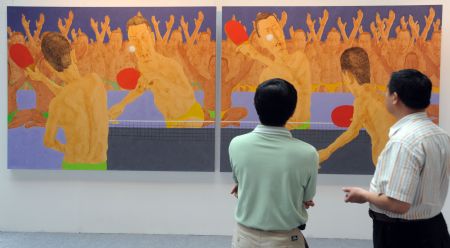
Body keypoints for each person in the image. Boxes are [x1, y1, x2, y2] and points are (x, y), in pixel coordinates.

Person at [343, 69, 450, 248]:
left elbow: (398, 204)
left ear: (395, 97)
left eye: (387, 91)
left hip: (404, 236)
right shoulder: (441, 136)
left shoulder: (404, 142)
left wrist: (364, 195)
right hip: (435, 228)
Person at [229, 78, 318, 248]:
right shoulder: (308, 153)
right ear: (292, 110)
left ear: (255, 105)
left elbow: (239, 185)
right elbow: (307, 198)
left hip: (244, 239)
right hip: (286, 241)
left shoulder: (236, 144)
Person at [26, 32, 109, 170]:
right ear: (73, 54)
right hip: (99, 164)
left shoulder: (58, 103)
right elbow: (75, 91)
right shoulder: (95, 81)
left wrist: (68, 149)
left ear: (49, 65)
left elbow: (48, 142)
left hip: (73, 163)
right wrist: (43, 79)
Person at [109, 12, 204, 128]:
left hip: (190, 116)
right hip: (171, 121)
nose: (141, 46)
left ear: (152, 38)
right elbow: (141, 87)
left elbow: (188, 95)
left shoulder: (170, 65)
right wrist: (121, 105)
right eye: (134, 40)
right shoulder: (142, 65)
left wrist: (159, 79)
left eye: (143, 38)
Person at [318, 47, 396, 166]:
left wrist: (327, 151)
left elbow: (352, 132)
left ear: (348, 75)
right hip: (396, 153)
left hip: (384, 156)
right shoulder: (380, 95)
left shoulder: (361, 99)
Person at [237, 12, 312, 129]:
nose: (274, 36)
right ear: (261, 42)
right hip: (277, 131)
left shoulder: (299, 58)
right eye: (267, 33)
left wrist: (258, 56)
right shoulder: (265, 75)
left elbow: (292, 82)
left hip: (302, 129)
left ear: (282, 31)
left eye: (276, 29)